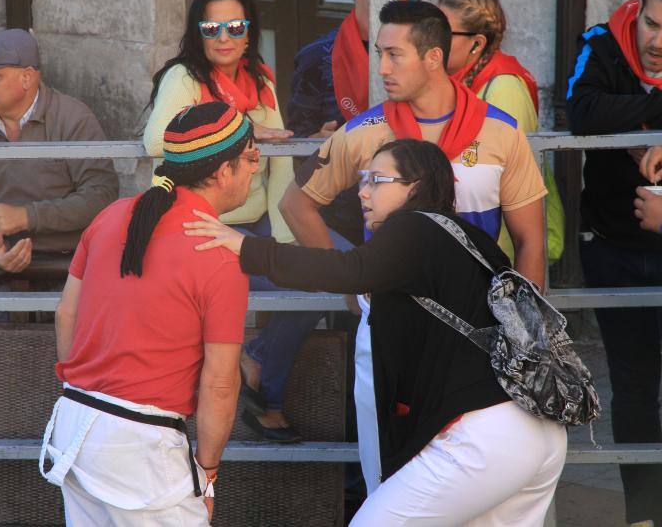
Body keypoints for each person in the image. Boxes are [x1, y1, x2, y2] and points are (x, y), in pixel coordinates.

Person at [184, 138, 567, 526]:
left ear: (414, 186)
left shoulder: (415, 228)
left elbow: (349, 270)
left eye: (376, 180)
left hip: (489, 436)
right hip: (538, 431)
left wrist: (248, 247)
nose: (362, 191)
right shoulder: (471, 240)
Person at [279, 0, 547, 492]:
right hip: (391, 333)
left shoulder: (501, 133)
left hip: (477, 336)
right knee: (389, 473)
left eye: (394, 55)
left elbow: (531, 240)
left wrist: (524, 332)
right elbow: (296, 205)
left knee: (475, 478)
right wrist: (351, 291)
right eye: (377, 53)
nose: (381, 69)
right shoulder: (364, 133)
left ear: (433, 58)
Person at [39, 102, 253, 525]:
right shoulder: (221, 255)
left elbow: (66, 315)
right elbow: (221, 383)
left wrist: (89, 385)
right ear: (224, 171)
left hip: (73, 419)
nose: (254, 170)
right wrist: (207, 472)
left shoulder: (109, 216)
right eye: (252, 159)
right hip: (140, 447)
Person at [143, 0, 306, 441]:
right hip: (195, 225)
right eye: (211, 27)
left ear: (249, 31)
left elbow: (279, 162)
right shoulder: (184, 78)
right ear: (198, 33)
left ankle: (257, 366)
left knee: (315, 275)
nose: (223, 37)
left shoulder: (262, 79)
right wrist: (245, 127)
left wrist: (286, 239)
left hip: (253, 222)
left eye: (235, 26)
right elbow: (156, 141)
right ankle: (265, 402)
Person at [567, 0, 662, 523]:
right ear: (637, 11)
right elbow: (583, 112)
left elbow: (607, 110)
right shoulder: (602, 42)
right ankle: (643, 515)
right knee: (632, 387)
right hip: (612, 247)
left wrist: (634, 118)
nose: (656, 41)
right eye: (651, 23)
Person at [0, 29, 118, 276]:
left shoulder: (73, 118)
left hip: (71, 267)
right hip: (0, 273)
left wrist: (27, 216)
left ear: (27, 78)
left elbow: (102, 196)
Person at [438, 0, 565, 264]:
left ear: (477, 43)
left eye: (444, 32)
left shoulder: (504, 87)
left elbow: (515, 183)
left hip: (499, 249)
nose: (433, 40)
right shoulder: (462, 80)